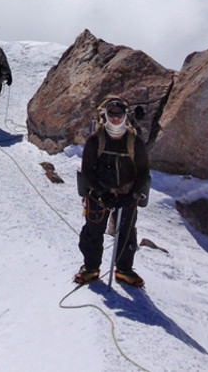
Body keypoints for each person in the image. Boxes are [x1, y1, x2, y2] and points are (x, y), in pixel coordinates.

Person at [74, 96, 150, 287]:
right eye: (112, 115)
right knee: (93, 231)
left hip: (127, 194)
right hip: (99, 195)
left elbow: (143, 172)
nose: (116, 119)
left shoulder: (135, 142)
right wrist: (100, 193)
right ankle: (91, 268)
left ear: (126, 116)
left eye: (119, 115)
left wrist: (132, 195)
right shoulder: (95, 140)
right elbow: (87, 171)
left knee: (126, 232)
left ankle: (124, 270)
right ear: (105, 115)